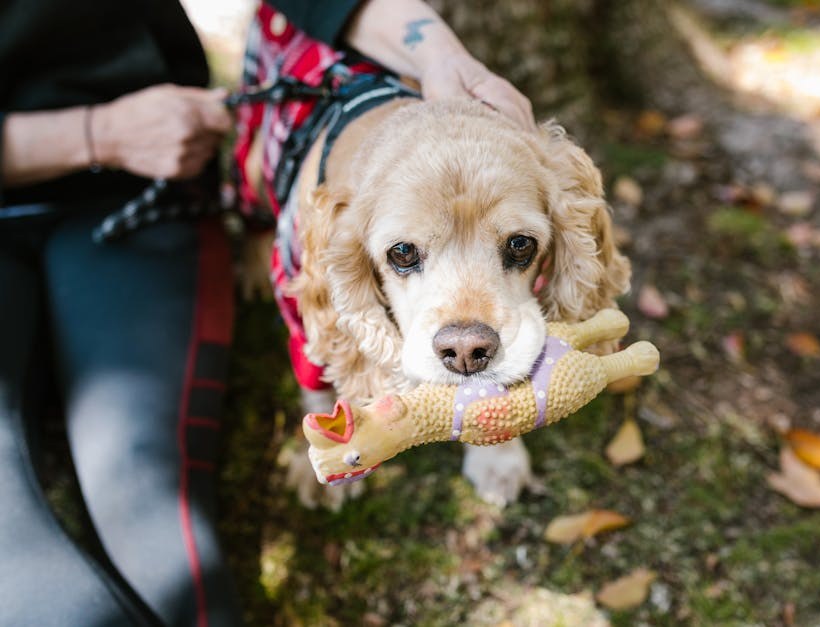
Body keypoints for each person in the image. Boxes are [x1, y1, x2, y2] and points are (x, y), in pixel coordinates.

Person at [0, 0, 532, 625]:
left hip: (139, 186)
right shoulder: (325, 239)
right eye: (406, 253)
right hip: (99, 155)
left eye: (520, 245)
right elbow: (320, 324)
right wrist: (97, 132)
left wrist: (439, 54)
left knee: (152, 521)